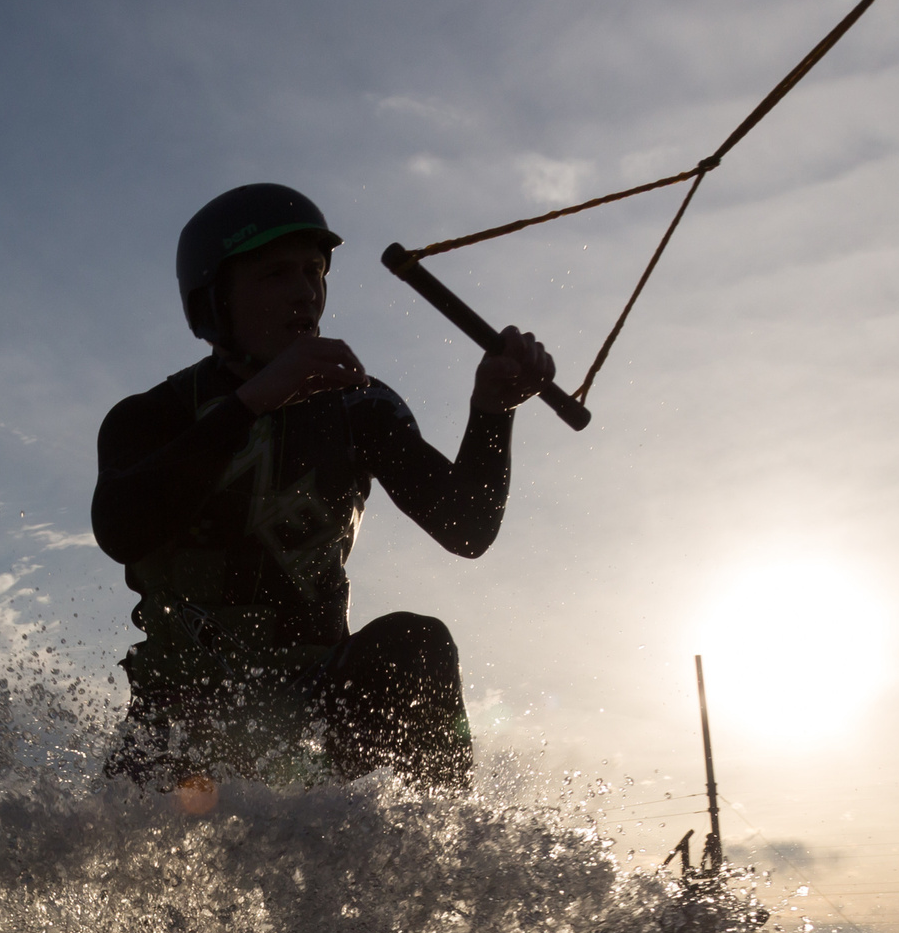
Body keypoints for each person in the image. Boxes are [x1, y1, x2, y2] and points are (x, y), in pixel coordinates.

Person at [94, 183, 555, 796]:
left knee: (417, 643)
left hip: (309, 710)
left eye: (314, 272)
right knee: (171, 773)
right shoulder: (150, 416)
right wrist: (252, 402)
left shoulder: (361, 407)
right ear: (214, 303)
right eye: (275, 274)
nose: (305, 292)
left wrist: (492, 412)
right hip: (181, 722)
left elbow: (466, 529)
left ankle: (433, 860)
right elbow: (121, 529)